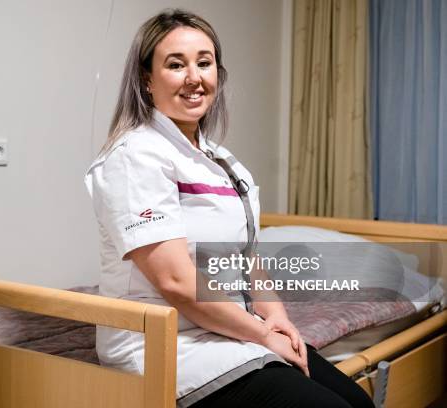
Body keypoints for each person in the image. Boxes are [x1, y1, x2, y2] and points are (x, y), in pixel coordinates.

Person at [84, 8, 374, 408]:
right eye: (175, 64)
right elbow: (176, 282)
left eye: (204, 63)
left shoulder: (224, 163)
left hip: (226, 331)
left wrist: (278, 320)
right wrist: (262, 335)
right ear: (147, 80)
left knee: (356, 400)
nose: (194, 77)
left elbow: (247, 258)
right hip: (165, 346)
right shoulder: (134, 156)